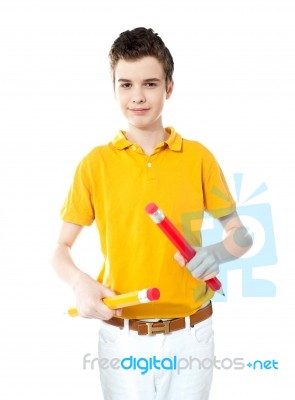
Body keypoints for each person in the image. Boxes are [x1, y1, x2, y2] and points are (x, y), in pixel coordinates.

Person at [51, 27, 253, 400]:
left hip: (192, 334)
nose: (138, 97)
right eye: (125, 84)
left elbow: (241, 235)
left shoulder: (199, 157)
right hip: (122, 336)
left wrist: (218, 253)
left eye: (150, 84)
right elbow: (60, 248)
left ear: (169, 87)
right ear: (113, 87)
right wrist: (80, 283)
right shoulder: (94, 164)